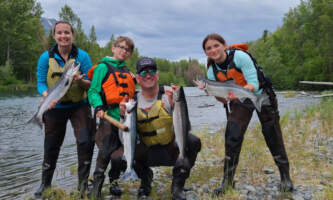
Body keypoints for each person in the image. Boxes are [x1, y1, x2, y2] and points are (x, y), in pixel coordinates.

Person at [201, 33, 293, 195]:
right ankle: (227, 182)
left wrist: (239, 93)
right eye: (209, 48)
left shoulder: (240, 56)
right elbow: (223, 100)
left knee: (272, 133)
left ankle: (285, 177)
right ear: (206, 52)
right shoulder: (211, 73)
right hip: (239, 97)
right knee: (232, 135)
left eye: (216, 45)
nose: (213, 50)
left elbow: (254, 83)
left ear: (224, 45)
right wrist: (211, 91)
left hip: (260, 93)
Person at [121, 57, 201, 200]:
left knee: (193, 141)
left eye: (152, 71)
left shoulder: (171, 94)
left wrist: (176, 106)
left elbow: (186, 127)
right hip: (145, 152)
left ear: (157, 75)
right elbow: (123, 136)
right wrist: (122, 115)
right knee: (118, 156)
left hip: (170, 149)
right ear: (138, 78)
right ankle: (145, 181)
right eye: (143, 73)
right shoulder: (131, 100)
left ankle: (177, 186)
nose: (148, 75)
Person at [35, 21, 94, 196]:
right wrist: (46, 96)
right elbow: (40, 82)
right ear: (54, 36)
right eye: (59, 33)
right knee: (51, 145)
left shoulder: (82, 57)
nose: (63, 36)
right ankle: (45, 185)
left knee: (85, 142)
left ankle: (83, 186)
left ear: (72, 35)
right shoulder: (45, 57)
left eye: (67, 32)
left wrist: (80, 81)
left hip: (79, 106)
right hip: (54, 106)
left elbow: (91, 84)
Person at [87, 36, 136, 199]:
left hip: (124, 119)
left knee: (119, 156)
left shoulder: (127, 72)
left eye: (127, 49)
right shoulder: (102, 67)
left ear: (130, 54)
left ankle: (114, 182)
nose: (124, 51)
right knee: (105, 153)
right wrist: (98, 106)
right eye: (121, 47)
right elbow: (93, 91)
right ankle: (96, 189)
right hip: (108, 117)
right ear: (113, 48)